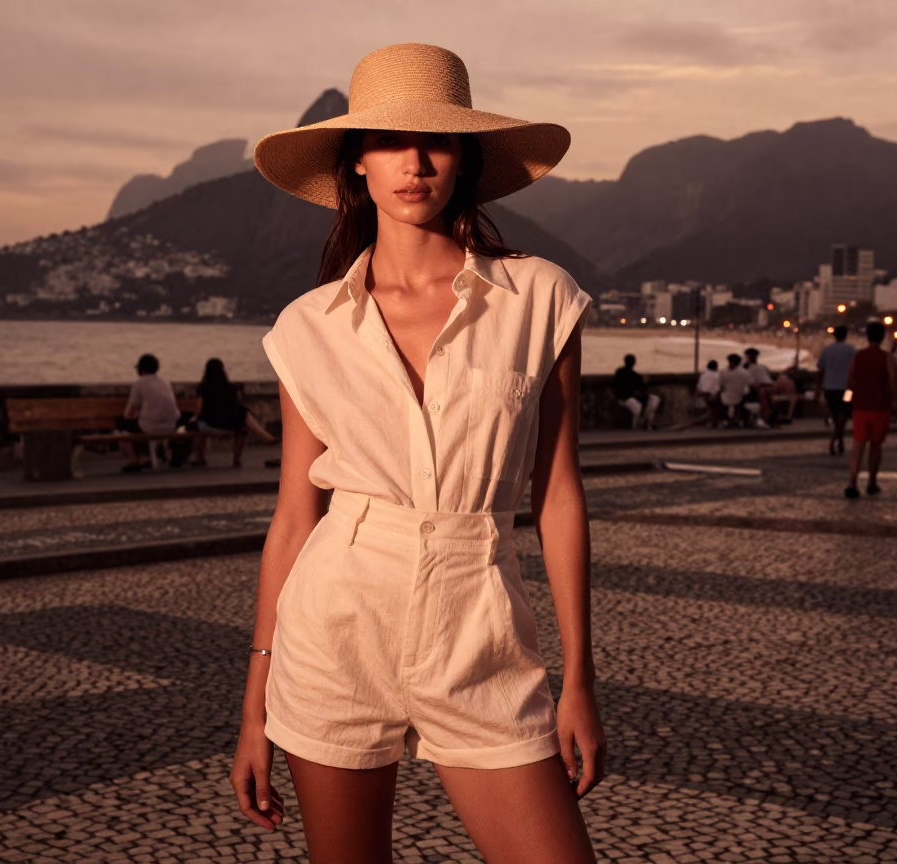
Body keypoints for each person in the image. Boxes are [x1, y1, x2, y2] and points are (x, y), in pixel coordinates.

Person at [229, 43, 603, 862]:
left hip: (482, 626)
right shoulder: (308, 327)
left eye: (437, 141)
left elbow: (558, 495)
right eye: (391, 141)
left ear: (465, 160)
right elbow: (294, 517)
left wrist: (578, 679)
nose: (416, 162)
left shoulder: (539, 297)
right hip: (335, 628)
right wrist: (254, 706)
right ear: (356, 163)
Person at [190, 358, 279, 468]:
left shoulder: (203, 387)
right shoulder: (229, 387)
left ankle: (200, 458)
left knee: (198, 427)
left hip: (211, 423)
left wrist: (193, 418)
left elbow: (199, 409)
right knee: (243, 415)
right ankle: (264, 439)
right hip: (229, 423)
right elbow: (234, 406)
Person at [843, 322, 897, 498]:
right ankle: (872, 482)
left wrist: (848, 400)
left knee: (857, 446)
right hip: (880, 407)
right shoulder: (887, 358)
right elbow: (893, 381)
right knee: (875, 447)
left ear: (867, 337)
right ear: (882, 337)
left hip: (860, 407)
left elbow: (849, 381)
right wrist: (895, 402)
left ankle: (852, 481)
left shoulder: (858, 356)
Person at [117, 353, 184, 472]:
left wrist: (132, 416)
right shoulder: (165, 382)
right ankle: (158, 455)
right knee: (138, 425)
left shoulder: (140, 383)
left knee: (120, 425)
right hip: (171, 425)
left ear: (141, 369)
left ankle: (133, 460)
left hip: (150, 427)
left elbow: (129, 412)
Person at [815, 325, 855, 455]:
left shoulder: (827, 350)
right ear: (846, 335)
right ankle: (837, 438)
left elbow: (821, 371)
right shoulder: (851, 350)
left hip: (830, 389)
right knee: (844, 414)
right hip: (848, 390)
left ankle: (836, 439)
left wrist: (817, 388)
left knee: (835, 414)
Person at [613, 353, 661, 430]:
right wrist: (645, 382)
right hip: (625, 397)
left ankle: (647, 422)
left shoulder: (620, 372)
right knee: (638, 407)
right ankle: (636, 426)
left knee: (654, 399)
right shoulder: (630, 374)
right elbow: (639, 385)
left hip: (631, 396)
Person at [718, 353, 752, 427]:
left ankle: (723, 420)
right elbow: (749, 384)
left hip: (725, 397)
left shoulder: (723, 372)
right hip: (739, 397)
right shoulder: (744, 373)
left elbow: (721, 386)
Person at [742, 347, 773, 428]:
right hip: (754, 389)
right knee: (764, 395)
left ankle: (767, 418)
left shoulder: (760, 367)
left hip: (761, 388)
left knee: (766, 394)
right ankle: (766, 418)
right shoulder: (747, 368)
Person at [696, 359, 722, 427]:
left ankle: (712, 422)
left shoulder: (703, 375)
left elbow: (699, 386)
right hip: (711, 394)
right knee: (717, 407)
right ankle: (714, 422)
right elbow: (718, 387)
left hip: (703, 394)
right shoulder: (717, 375)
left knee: (711, 408)